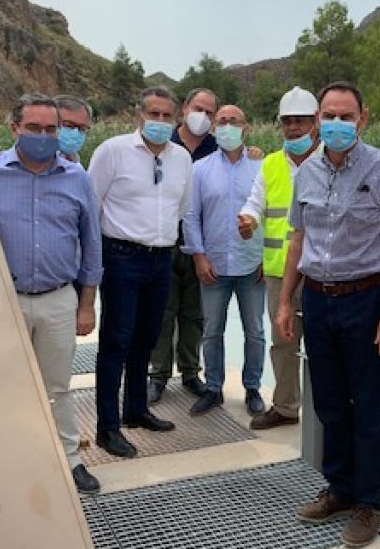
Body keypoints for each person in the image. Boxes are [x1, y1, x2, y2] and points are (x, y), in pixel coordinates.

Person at [275, 82, 380, 548]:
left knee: (368, 406)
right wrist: (285, 302)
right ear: (318, 120)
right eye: (329, 116)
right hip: (317, 300)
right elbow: (298, 240)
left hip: (365, 300)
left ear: (362, 119)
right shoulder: (306, 173)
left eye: (346, 115)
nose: (337, 123)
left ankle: (369, 503)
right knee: (330, 402)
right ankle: (339, 489)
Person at [0, 93, 102, 494]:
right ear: (14, 128)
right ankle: (6, 458)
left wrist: (87, 305)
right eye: (34, 128)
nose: (43, 136)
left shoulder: (77, 178)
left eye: (51, 129)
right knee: (1, 383)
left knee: (57, 387)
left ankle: (70, 458)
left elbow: (91, 245)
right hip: (3, 302)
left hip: (58, 299)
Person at [88, 86, 190, 458]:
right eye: (153, 114)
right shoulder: (112, 151)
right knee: (116, 342)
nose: (160, 121)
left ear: (176, 119)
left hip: (161, 259)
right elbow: (91, 205)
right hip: (121, 257)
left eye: (167, 115)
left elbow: (182, 207)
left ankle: (135, 409)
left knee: (147, 338)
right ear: (139, 115)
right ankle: (107, 427)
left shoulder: (181, 158)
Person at [238, 86, 321, 430]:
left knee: (324, 346)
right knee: (283, 343)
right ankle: (286, 407)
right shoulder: (271, 163)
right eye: (287, 121)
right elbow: (255, 202)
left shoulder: (331, 161)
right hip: (278, 273)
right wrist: (248, 219)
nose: (293, 127)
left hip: (320, 272)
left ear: (316, 122)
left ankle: (324, 414)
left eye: (300, 120)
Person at [182, 105, 266, 416]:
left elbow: (271, 215)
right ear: (214, 128)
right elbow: (191, 215)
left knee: (255, 331)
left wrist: (267, 259)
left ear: (246, 128)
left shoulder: (261, 167)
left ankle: (253, 387)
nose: (228, 127)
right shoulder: (200, 169)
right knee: (212, 330)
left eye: (234, 121)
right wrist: (199, 256)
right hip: (214, 264)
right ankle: (213, 388)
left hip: (252, 263)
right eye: (222, 122)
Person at [147, 87, 219, 403]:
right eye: (197, 108)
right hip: (164, 242)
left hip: (202, 247)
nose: (202, 116)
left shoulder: (218, 149)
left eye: (209, 112)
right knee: (162, 313)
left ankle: (190, 372)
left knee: (195, 315)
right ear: (185, 108)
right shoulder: (162, 142)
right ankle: (158, 375)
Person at [54, 94, 92, 165]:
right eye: (69, 126)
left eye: (82, 128)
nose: (75, 133)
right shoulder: (37, 163)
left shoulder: (75, 161)